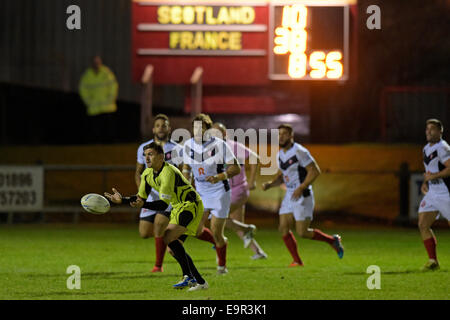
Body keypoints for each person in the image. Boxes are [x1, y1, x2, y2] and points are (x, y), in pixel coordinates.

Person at [105, 142, 208, 291]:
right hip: (178, 207)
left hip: (190, 204)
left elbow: (162, 205)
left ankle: (189, 277)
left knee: (167, 236)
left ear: (161, 157)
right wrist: (123, 200)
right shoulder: (147, 174)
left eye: (151, 154)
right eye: (145, 155)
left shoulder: (168, 172)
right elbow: (141, 198)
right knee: (173, 248)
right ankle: (200, 281)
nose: (147, 158)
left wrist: (142, 205)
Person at [262, 124, 344, 267]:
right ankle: (297, 261)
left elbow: (315, 170)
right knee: (283, 228)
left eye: (284, 134)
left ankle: (332, 241)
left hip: (302, 194)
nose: (281, 137)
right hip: (290, 194)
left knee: (302, 232)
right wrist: (270, 184)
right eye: (279, 134)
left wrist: (302, 187)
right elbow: (283, 175)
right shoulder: (280, 154)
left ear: (291, 136)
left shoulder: (299, 151)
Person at [181, 114, 241, 274]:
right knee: (196, 230)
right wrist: (186, 184)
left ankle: (222, 265)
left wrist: (219, 177)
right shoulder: (188, 145)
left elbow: (236, 168)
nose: (198, 131)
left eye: (202, 128)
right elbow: (186, 167)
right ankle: (220, 243)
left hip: (219, 191)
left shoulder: (219, 145)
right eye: (195, 128)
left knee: (216, 230)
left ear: (208, 130)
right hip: (200, 191)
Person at [212, 122, 268, 260]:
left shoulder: (234, 146)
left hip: (238, 190)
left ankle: (245, 230)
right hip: (225, 192)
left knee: (218, 217)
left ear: (225, 134)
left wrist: (252, 181)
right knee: (237, 224)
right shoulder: (211, 150)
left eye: (217, 132)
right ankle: (258, 252)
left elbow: (255, 158)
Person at [135, 114, 182, 273]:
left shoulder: (176, 149)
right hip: (150, 197)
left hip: (168, 197)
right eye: (158, 125)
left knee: (159, 225)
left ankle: (158, 266)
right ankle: (172, 237)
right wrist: (142, 193)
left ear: (169, 129)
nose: (161, 128)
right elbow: (138, 173)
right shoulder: (144, 148)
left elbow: (182, 172)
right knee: (144, 233)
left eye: (164, 125)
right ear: (153, 129)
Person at [418, 118, 450, 271]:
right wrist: (426, 182)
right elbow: (429, 171)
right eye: (427, 129)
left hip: (445, 193)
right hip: (432, 192)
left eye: (432, 129)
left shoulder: (442, 147)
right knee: (423, 224)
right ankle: (433, 261)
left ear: (440, 132)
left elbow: (449, 169)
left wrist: (433, 177)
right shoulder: (425, 148)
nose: (428, 131)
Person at [79, 55, 118, 143]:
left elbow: (113, 86)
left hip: (107, 107)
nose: (96, 64)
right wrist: (88, 101)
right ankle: (96, 143)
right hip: (94, 107)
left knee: (108, 128)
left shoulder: (106, 72)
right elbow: (83, 89)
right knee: (95, 129)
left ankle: (109, 144)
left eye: (98, 62)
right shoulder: (87, 75)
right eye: (95, 63)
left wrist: (110, 99)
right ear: (92, 64)